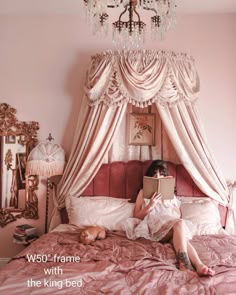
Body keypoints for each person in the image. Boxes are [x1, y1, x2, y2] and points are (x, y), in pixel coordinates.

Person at [124, 159, 215, 277]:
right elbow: (136, 215)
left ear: (166, 176)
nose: (158, 176)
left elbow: (178, 215)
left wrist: (169, 204)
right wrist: (151, 205)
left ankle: (199, 265)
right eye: (155, 173)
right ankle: (184, 264)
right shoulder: (143, 192)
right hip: (155, 227)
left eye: (161, 174)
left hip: (171, 226)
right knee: (179, 225)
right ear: (150, 176)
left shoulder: (171, 195)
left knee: (182, 237)